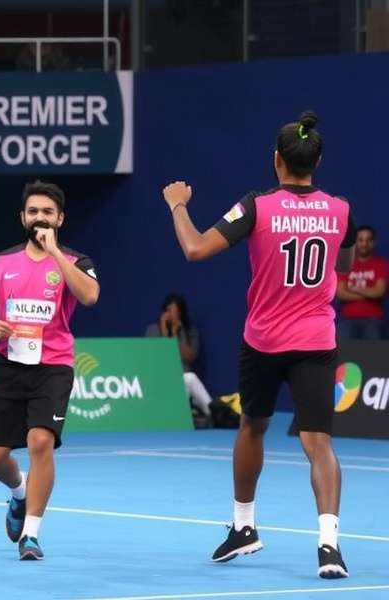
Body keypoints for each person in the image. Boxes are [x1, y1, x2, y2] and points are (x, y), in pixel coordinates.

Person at [162, 111, 356, 579]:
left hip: (265, 340)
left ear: (276, 160)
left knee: (252, 426)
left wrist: (177, 205)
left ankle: (245, 526)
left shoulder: (257, 206)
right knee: (318, 442)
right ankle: (329, 546)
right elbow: (343, 263)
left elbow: (195, 249)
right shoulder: (340, 209)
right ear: (318, 161)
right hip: (316, 339)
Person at [0, 180, 99, 561]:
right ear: (22, 217)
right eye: (33, 212)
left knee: (40, 442)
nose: (39, 217)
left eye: (47, 212)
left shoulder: (77, 262)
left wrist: (55, 252)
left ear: (60, 218)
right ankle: (19, 492)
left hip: (53, 366)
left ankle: (31, 534)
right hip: (9, 365)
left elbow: (90, 296)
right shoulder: (2, 262)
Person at [145, 293, 213, 418]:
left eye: (175, 311)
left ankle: (214, 413)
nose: (171, 315)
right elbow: (158, 357)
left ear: (181, 313)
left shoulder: (188, 331)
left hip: (180, 381)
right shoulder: (153, 330)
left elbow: (190, 357)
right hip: (159, 379)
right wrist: (164, 331)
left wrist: (175, 334)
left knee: (191, 378)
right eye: (168, 310)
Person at [336, 225, 387, 340]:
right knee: (342, 350)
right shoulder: (345, 263)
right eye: (361, 240)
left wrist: (353, 288)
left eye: (368, 240)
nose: (364, 244)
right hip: (347, 320)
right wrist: (369, 293)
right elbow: (341, 293)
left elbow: (379, 292)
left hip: (373, 320)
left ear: (374, 243)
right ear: (356, 242)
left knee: (374, 351)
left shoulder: (381, 264)